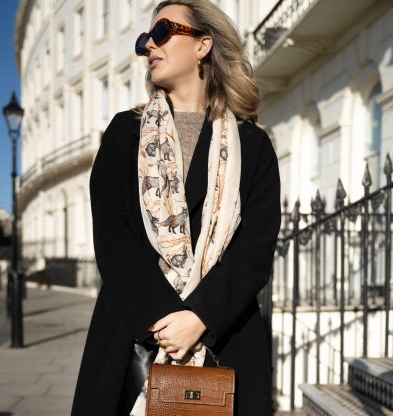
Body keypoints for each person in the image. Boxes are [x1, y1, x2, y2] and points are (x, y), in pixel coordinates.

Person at [71, 1, 281, 415]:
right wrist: (167, 319)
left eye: (163, 31)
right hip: (133, 335)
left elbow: (255, 248)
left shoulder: (253, 146)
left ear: (203, 45)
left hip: (225, 336)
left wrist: (201, 317)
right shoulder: (123, 135)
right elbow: (113, 240)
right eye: (144, 38)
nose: (148, 44)